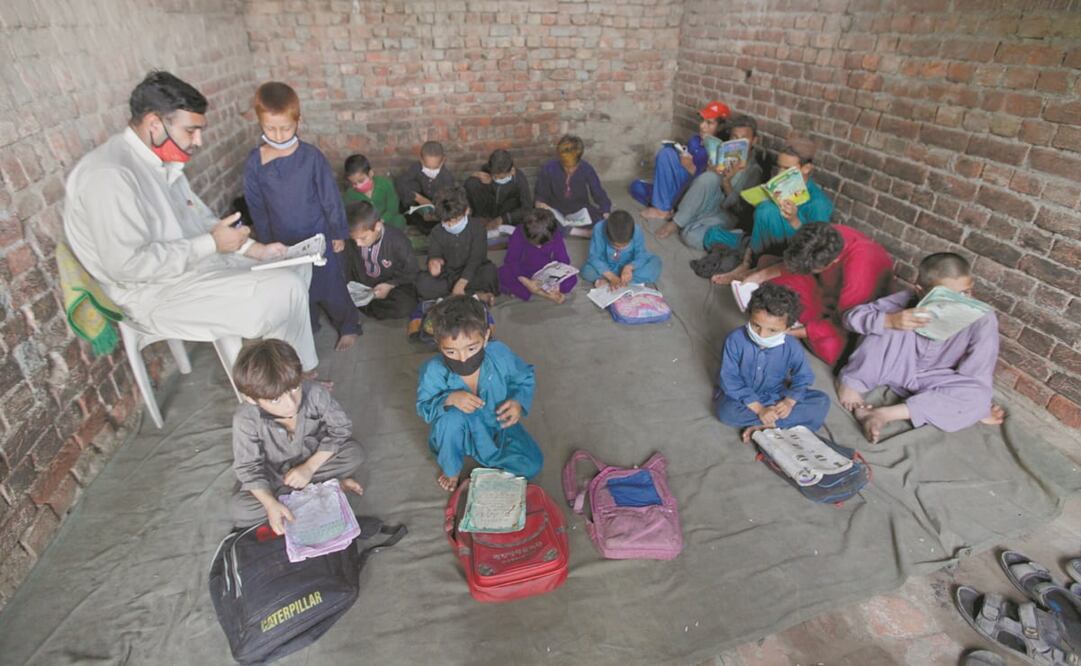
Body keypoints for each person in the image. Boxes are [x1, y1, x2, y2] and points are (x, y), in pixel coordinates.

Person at [63, 71, 319, 372]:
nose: (198, 141)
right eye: (190, 131)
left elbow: (201, 220)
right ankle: (286, 384)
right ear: (155, 124)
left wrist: (257, 250)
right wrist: (211, 244)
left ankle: (286, 372)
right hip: (153, 294)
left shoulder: (159, 162)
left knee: (294, 265)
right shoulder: (109, 176)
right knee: (284, 289)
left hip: (192, 270)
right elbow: (127, 266)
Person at [837, 253, 1006, 444]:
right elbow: (850, 319)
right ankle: (852, 382)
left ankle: (881, 415)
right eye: (947, 296)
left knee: (979, 396)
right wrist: (890, 321)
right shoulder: (906, 300)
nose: (958, 302)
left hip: (935, 378)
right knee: (886, 324)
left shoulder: (981, 317)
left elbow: (979, 371)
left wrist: (978, 406)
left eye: (965, 293)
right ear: (921, 291)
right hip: (895, 366)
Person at [244, 81, 359, 351]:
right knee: (295, 287)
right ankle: (308, 326)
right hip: (281, 239)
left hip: (318, 233)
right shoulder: (255, 162)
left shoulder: (311, 157)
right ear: (259, 122)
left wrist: (338, 232)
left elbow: (329, 196)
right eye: (270, 128)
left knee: (330, 282)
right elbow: (257, 205)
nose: (279, 134)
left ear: (298, 120)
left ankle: (348, 325)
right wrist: (263, 242)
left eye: (286, 127)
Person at [229, 339, 365, 532]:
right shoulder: (246, 418)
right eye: (275, 399)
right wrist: (269, 503)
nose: (291, 404)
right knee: (240, 509)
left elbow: (341, 429)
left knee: (354, 453)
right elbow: (248, 468)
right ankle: (329, 488)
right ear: (252, 399)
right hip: (275, 475)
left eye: (294, 388)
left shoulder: (315, 393)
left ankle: (299, 496)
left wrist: (309, 467)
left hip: (313, 459)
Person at [416, 296, 544, 491]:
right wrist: (449, 398)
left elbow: (524, 377)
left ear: (486, 337)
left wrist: (518, 402)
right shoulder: (433, 370)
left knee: (533, 463)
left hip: (496, 426)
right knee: (449, 420)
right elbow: (424, 407)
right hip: (455, 433)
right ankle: (452, 469)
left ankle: (488, 461)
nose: (463, 358)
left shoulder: (499, 354)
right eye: (451, 352)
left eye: (471, 348)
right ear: (437, 343)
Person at [745, 223, 893, 366]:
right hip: (825, 290)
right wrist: (755, 278)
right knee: (767, 268)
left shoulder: (860, 272)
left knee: (830, 348)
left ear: (833, 261)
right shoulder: (824, 235)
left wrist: (790, 333)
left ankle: (804, 325)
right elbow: (795, 264)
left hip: (847, 315)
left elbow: (846, 321)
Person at [707, 137, 835, 285]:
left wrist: (794, 220)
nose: (780, 173)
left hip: (792, 253)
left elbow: (817, 247)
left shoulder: (818, 203)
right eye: (779, 167)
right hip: (765, 244)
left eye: (787, 169)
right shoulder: (781, 188)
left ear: (806, 168)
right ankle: (747, 262)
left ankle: (753, 267)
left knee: (767, 210)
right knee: (711, 235)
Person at [714, 283, 830, 441]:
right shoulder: (735, 339)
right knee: (725, 412)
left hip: (776, 396)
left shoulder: (792, 347)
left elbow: (803, 377)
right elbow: (729, 378)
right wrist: (760, 409)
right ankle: (774, 422)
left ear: (788, 328)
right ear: (749, 317)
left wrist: (789, 402)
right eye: (756, 326)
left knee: (821, 402)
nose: (762, 335)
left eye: (773, 330)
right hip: (742, 398)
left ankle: (766, 424)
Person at [656, 114, 764, 250]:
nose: (738, 144)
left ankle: (730, 236)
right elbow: (701, 187)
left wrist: (727, 184)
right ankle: (677, 223)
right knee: (709, 178)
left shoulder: (754, 171)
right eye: (734, 138)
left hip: (726, 214)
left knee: (691, 236)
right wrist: (710, 170)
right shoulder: (723, 155)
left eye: (744, 140)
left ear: (754, 140)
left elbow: (742, 212)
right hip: (710, 202)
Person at [634, 100, 730, 220]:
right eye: (702, 120)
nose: (702, 126)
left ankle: (662, 209)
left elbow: (705, 185)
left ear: (720, 127)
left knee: (666, 154)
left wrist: (691, 169)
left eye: (709, 123)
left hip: (690, 191)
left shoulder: (720, 150)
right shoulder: (695, 139)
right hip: (678, 183)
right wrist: (681, 154)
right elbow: (682, 165)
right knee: (636, 186)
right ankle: (667, 204)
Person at [415, 187, 499, 304]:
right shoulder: (437, 231)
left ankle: (451, 297)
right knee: (422, 283)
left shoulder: (477, 228)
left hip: (472, 272)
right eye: (446, 221)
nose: (450, 225)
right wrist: (434, 262)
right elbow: (434, 254)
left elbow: (476, 259)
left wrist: (462, 283)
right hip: (448, 274)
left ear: (466, 211)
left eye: (455, 220)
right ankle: (475, 296)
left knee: (489, 273)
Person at [341, 201, 419, 320]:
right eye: (354, 239)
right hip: (361, 281)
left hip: (388, 282)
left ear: (378, 226)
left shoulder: (398, 242)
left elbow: (411, 271)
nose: (358, 243)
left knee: (405, 305)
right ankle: (360, 303)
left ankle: (363, 305)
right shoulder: (352, 239)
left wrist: (390, 285)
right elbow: (346, 265)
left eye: (363, 238)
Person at [534, 134, 611, 238]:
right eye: (565, 166)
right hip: (556, 210)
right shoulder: (549, 168)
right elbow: (541, 194)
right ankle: (583, 233)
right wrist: (540, 203)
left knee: (602, 221)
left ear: (579, 161)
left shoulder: (586, 169)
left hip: (579, 210)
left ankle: (568, 230)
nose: (569, 170)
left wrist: (606, 211)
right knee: (538, 220)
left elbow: (598, 193)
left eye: (573, 167)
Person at [498, 209, 577, 304]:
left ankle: (533, 291)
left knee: (572, 279)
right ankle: (542, 293)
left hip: (546, 271)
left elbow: (563, 260)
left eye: (543, 244)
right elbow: (511, 260)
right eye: (535, 243)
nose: (539, 247)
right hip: (524, 270)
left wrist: (557, 283)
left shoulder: (556, 234)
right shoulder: (519, 232)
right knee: (501, 273)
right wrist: (526, 282)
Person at [581, 210, 662, 288]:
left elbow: (641, 254)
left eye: (625, 245)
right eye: (615, 245)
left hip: (629, 264)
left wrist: (629, 267)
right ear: (607, 235)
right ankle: (623, 281)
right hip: (606, 266)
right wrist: (610, 276)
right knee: (587, 271)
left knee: (655, 262)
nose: (620, 249)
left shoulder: (636, 230)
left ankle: (617, 281)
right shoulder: (599, 228)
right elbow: (594, 257)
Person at [463, 149, 533, 230]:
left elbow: (527, 209)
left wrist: (503, 219)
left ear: (512, 171)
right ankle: (482, 219)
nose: (497, 179)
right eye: (494, 176)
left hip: (507, 215)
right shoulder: (487, 171)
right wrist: (474, 175)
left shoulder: (519, 180)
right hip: (488, 213)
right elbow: (468, 188)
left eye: (502, 177)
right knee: (472, 183)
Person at [395, 140, 456, 233]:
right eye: (427, 166)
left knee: (430, 226)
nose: (431, 170)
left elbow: (447, 202)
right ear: (421, 159)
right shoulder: (416, 167)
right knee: (408, 189)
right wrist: (418, 198)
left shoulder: (447, 178)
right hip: (417, 204)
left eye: (435, 167)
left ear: (443, 160)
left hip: (434, 210)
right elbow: (400, 182)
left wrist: (435, 215)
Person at [342, 153, 406, 229]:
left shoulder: (385, 184)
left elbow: (393, 207)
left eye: (361, 181)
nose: (358, 186)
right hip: (366, 226)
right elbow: (349, 214)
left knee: (399, 220)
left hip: (386, 221)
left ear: (370, 173)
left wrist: (382, 220)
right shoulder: (350, 194)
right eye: (354, 183)